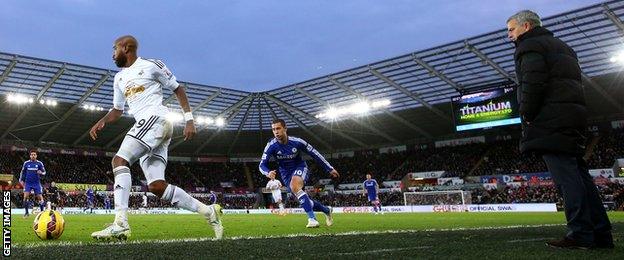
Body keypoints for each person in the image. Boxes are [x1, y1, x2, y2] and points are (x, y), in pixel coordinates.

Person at [89, 35, 223, 240]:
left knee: (119, 160)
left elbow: (178, 89)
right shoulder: (119, 78)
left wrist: (189, 120)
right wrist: (103, 121)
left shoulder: (152, 65)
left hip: (155, 119)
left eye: (115, 48)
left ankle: (120, 223)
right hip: (152, 129)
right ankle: (208, 211)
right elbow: (117, 110)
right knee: (157, 187)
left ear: (126, 48)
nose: (112, 53)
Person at [507, 10, 612, 249]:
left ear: (526, 27)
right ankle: (601, 235)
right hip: (571, 118)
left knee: (567, 180)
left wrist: (527, 114)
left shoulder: (530, 47)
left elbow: (533, 83)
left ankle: (581, 233)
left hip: (551, 121)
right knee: (580, 177)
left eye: (511, 29)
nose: (509, 35)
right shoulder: (563, 47)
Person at [259, 119, 339, 228]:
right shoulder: (271, 146)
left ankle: (312, 219)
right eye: (273, 129)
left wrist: (329, 168)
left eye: (278, 128)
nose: (276, 132)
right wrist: (268, 172)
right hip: (285, 175)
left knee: (295, 185)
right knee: (305, 201)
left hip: (300, 167)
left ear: (285, 129)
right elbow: (262, 164)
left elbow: (314, 153)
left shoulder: (297, 142)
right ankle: (327, 210)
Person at [19, 150, 46, 217]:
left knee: (40, 198)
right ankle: (26, 213)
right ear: (30, 156)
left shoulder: (40, 163)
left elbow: (44, 172)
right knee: (25, 197)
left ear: (36, 156)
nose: (33, 156)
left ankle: (42, 212)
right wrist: (22, 179)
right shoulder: (26, 163)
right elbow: (23, 172)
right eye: (32, 154)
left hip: (36, 183)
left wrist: (41, 173)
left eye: (34, 154)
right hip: (28, 183)